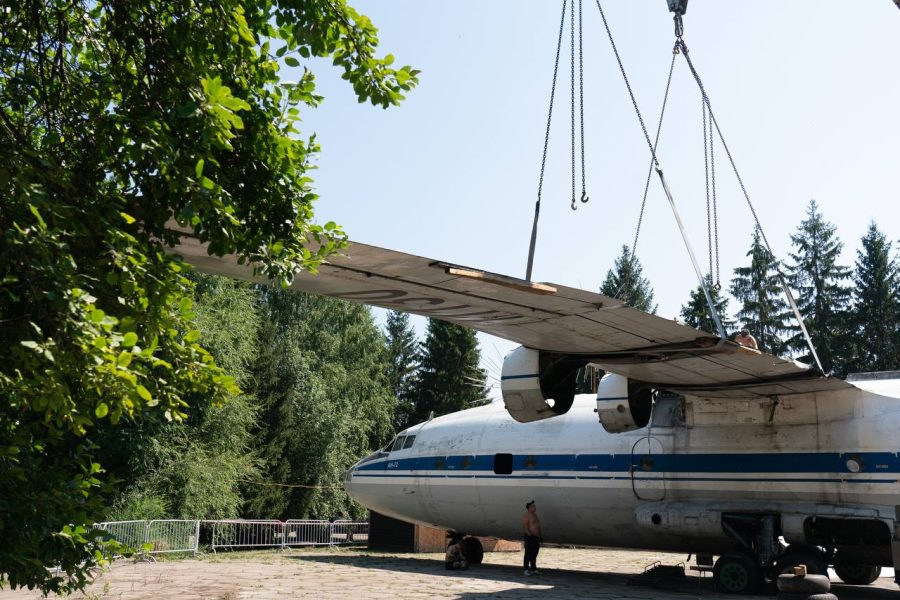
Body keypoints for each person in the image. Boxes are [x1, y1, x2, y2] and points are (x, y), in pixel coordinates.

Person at [522, 500, 542, 576]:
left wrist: (540, 536)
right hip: (530, 537)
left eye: (535, 506)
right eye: (533, 506)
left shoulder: (535, 515)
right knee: (528, 554)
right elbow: (525, 528)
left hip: (536, 537)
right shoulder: (526, 516)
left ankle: (533, 569)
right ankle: (525, 570)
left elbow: (537, 526)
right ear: (529, 508)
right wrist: (530, 536)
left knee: (534, 554)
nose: (535, 507)